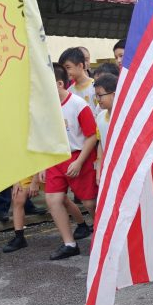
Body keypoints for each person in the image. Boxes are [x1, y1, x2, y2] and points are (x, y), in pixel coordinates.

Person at [46, 63, 99, 260]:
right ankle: (69, 243)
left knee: (90, 202)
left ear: (59, 83)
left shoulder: (78, 104)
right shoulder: (45, 107)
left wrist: (78, 163)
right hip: (56, 157)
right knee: (53, 200)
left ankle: (103, 238)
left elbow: (92, 136)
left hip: (80, 156)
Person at [60, 47, 97, 114]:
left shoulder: (95, 86)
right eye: (63, 68)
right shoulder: (69, 91)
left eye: (68, 67)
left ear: (80, 65)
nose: (65, 72)